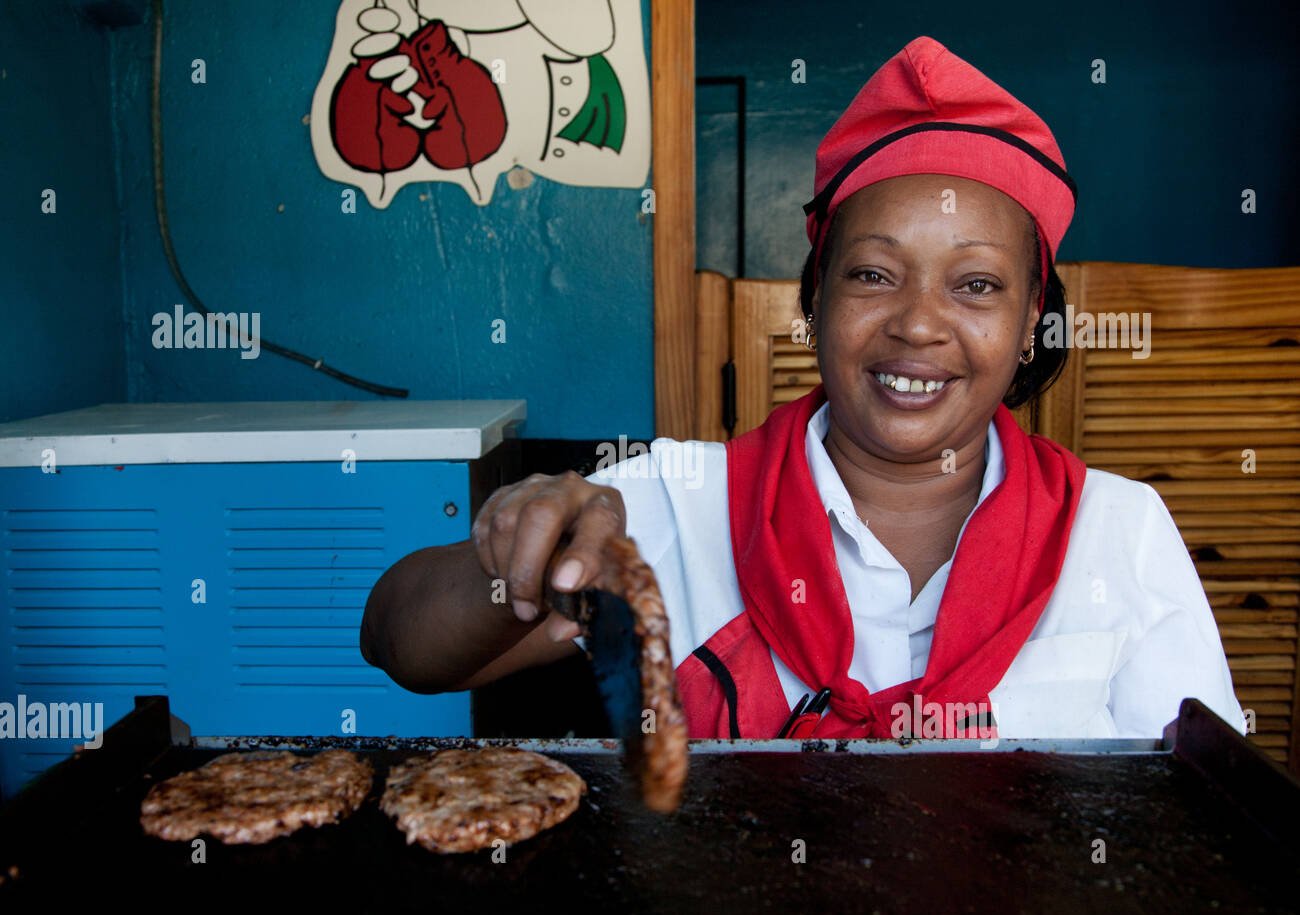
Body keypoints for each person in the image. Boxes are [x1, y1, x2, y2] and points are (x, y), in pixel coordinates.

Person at [360, 36, 1246, 741]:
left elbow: (1196, 827)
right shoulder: (676, 505)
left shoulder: (1119, 534)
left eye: (976, 285)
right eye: (872, 275)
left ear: (1026, 332)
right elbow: (396, 637)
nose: (918, 323)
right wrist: (521, 554)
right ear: (813, 306)